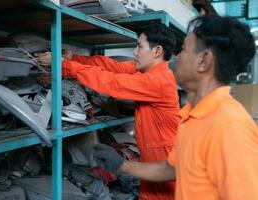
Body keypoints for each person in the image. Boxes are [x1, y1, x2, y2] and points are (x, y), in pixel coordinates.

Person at [91, 14, 258, 200]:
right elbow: (172, 168)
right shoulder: (191, 117)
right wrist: (121, 164)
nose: (176, 57)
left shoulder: (229, 126)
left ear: (203, 61)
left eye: (184, 49)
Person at [35, 24, 180, 200]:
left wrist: (65, 65)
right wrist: (75, 58)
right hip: (153, 166)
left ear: (157, 51)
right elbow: (113, 67)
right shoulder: (148, 72)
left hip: (164, 169)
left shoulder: (159, 81)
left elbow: (112, 83)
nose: (135, 52)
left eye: (139, 46)